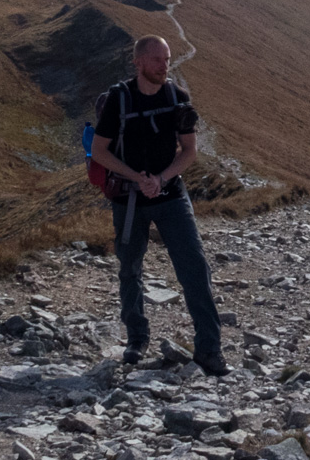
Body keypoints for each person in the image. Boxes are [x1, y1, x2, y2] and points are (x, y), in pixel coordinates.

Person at [88, 35, 227, 375]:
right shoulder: (118, 101)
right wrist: (137, 178)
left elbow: (189, 151)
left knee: (194, 268)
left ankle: (209, 350)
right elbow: (100, 150)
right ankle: (137, 338)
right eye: (157, 60)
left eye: (166, 59)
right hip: (128, 200)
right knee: (129, 269)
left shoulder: (177, 98)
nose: (165, 66)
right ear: (138, 62)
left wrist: (161, 179)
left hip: (170, 196)